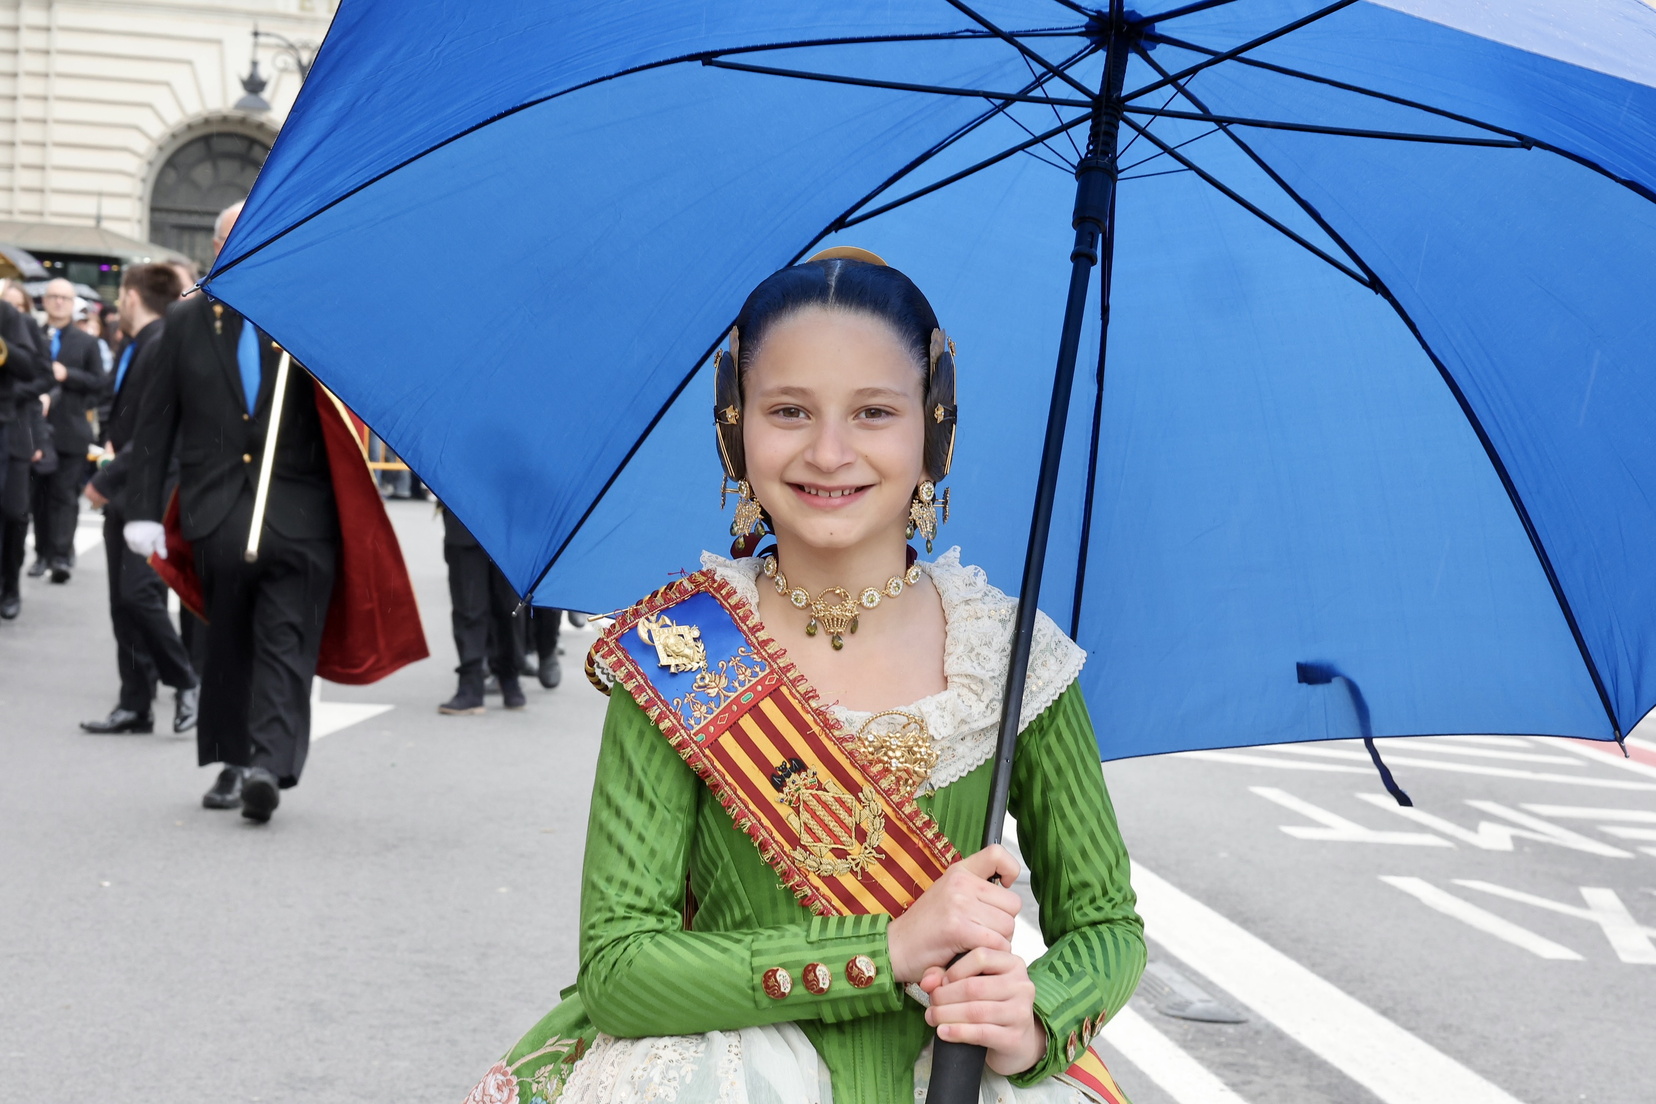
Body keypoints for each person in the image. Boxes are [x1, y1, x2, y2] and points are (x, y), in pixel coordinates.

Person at [465, 253, 1142, 1104]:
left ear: (933, 430)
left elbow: (1106, 926)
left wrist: (1035, 1018)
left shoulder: (1011, 659)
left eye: (873, 413)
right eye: (788, 411)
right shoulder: (682, 650)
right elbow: (619, 967)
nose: (828, 453)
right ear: (732, 426)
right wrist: (886, 952)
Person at [123, 199, 425, 824]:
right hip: (215, 515)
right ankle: (233, 760)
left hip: (301, 518)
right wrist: (142, 511)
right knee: (226, 643)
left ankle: (269, 765)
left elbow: (365, 395)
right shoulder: (184, 324)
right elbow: (155, 425)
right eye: (239, 238)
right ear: (217, 249)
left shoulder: (313, 320)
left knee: (286, 642)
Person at [80, 264, 199, 734]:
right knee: (121, 604)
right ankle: (135, 702)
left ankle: (184, 680)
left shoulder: (161, 342)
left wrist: (105, 481)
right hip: (128, 485)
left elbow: (155, 433)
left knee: (139, 594)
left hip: (151, 490)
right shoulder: (137, 343)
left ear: (131, 296)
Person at [29, 278, 105, 583]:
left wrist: (68, 374)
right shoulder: (33, 336)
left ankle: (61, 555)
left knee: (65, 496)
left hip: (72, 430)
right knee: (39, 497)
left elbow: (99, 383)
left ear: (73, 304)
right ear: (45, 301)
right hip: (36, 431)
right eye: (54, 297)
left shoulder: (86, 342)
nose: (59, 302)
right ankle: (42, 555)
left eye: (65, 298)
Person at [438, 504, 527, 713]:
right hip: (464, 518)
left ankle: (510, 678)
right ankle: (470, 685)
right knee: (468, 608)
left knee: (510, 608)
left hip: (509, 525)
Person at [0, 286, 48, 620]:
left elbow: (39, 372)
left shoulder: (19, 323)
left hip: (12, 430)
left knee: (14, 514)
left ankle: (10, 585)